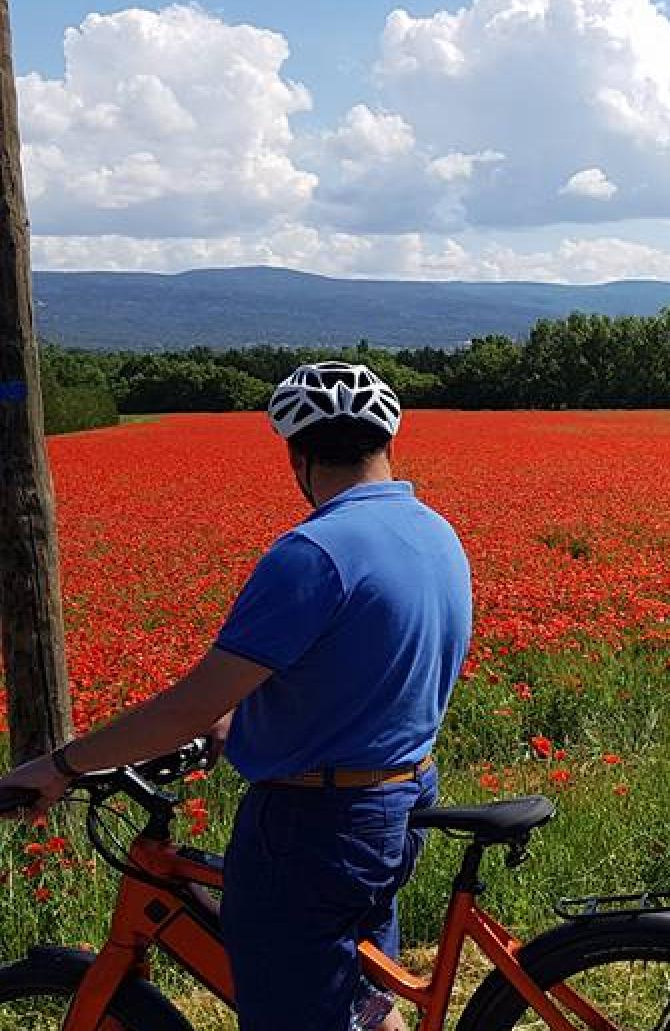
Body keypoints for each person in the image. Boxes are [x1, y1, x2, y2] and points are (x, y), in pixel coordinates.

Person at [1, 362, 473, 1031]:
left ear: (297, 456)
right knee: (355, 1000)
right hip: (399, 798)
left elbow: (187, 708)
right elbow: (362, 668)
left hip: (315, 823)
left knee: (292, 1012)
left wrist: (61, 765)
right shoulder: (436, 535)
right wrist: (241, 716)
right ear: (388, 441)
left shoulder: (314, 552)